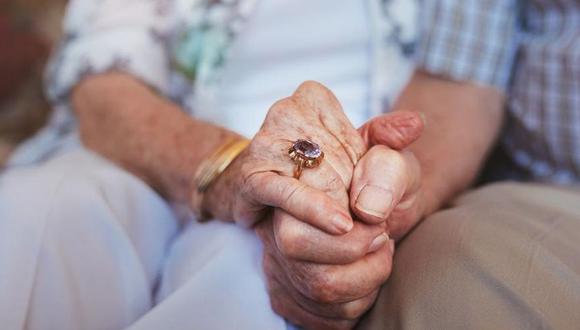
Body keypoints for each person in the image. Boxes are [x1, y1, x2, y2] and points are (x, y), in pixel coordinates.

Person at [1, 1, 579, 330]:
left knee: (252, 279)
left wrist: (379, 191)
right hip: (143, 156)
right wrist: (229, 168)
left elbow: (458, 92)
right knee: (38, 216)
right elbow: (103, 84)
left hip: (331, 177)